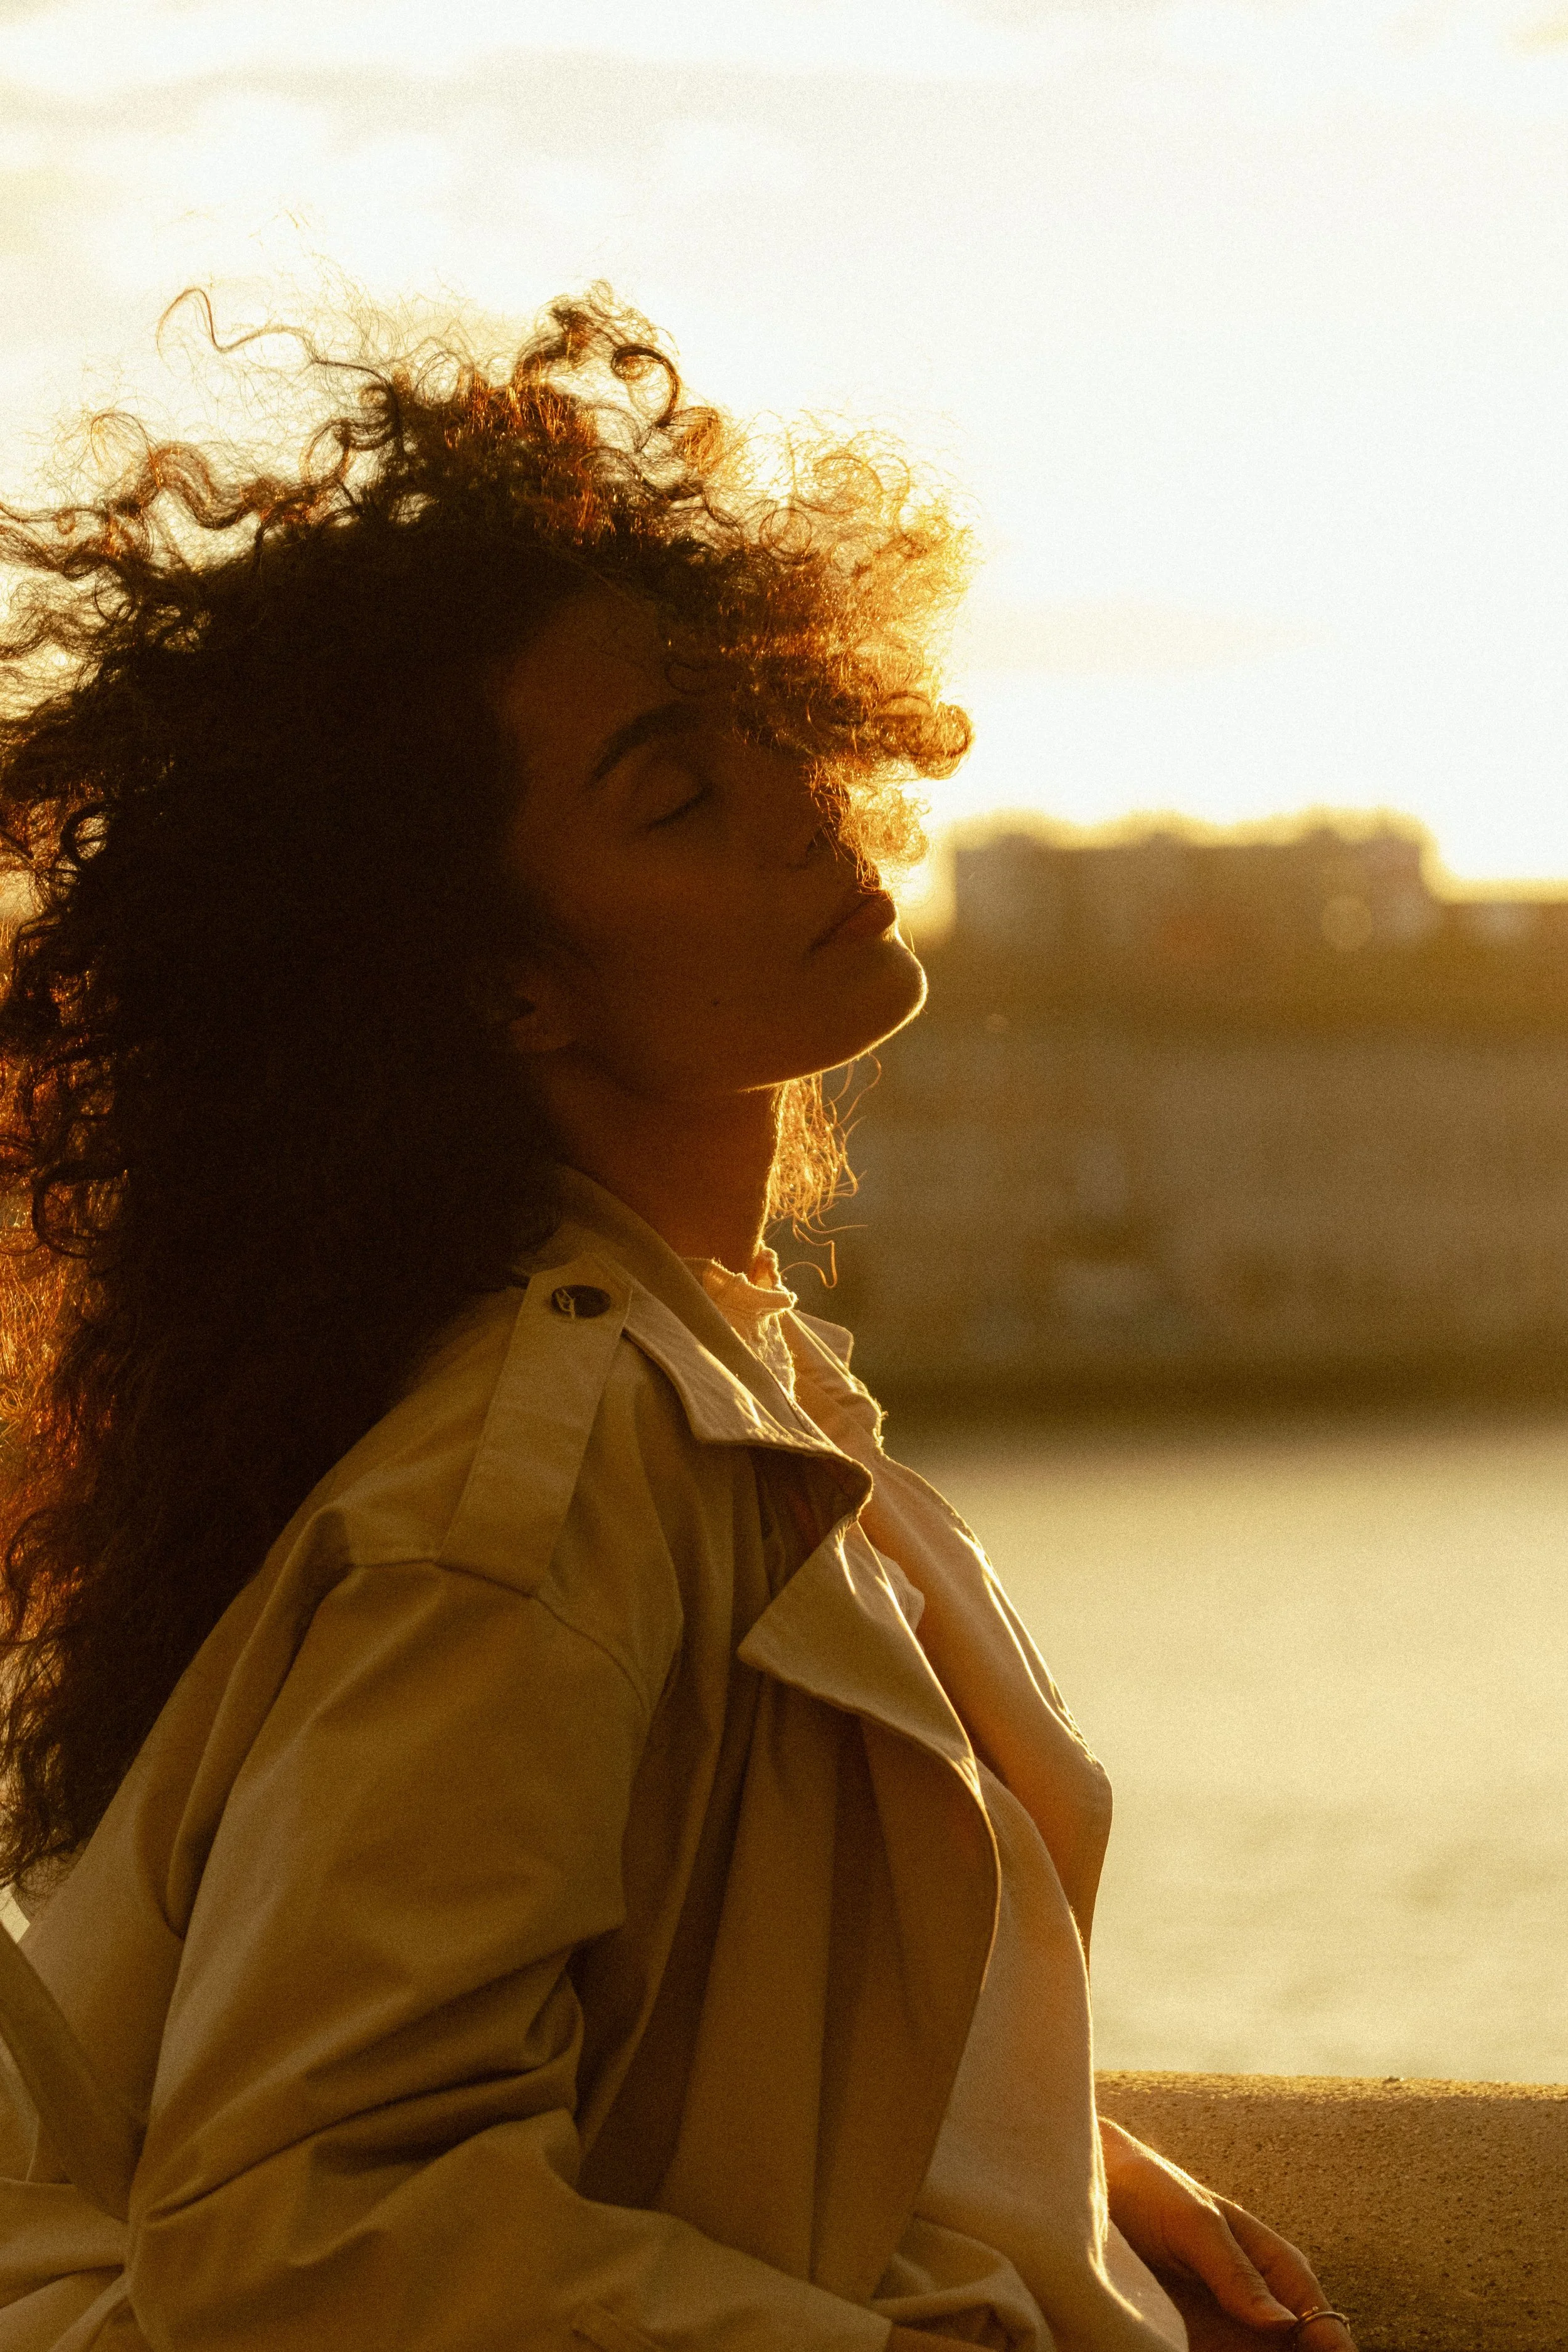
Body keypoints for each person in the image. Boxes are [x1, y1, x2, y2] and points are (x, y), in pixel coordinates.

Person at [0, 290, 1357, 2351]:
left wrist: (982, 2132)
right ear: (502, 986)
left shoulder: (717, 1366)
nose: (802, 801)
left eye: (766, 727)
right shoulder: (536, 1480)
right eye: (672, 793)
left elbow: (640, 1993)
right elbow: (306, 2231)